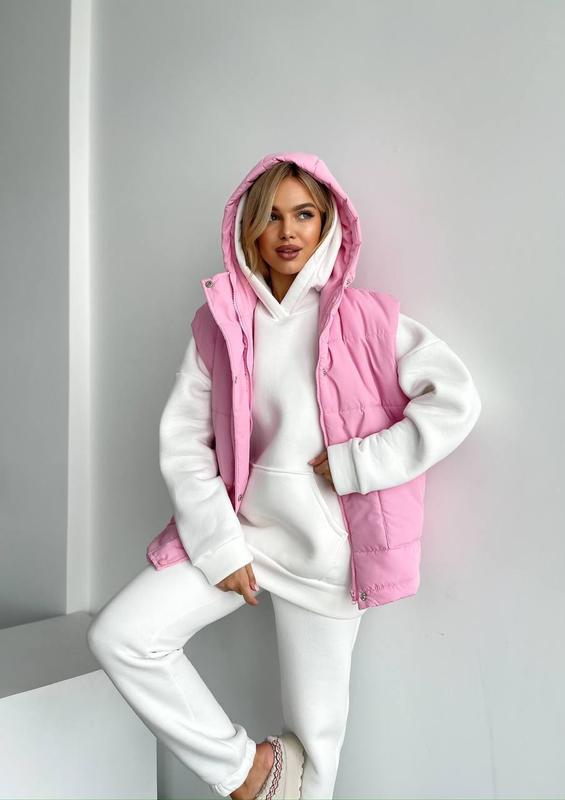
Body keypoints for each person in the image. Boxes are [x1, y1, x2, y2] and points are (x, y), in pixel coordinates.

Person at [86, 151, 482, 800]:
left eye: (304, 214)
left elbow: (455, 400)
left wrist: (360, 462)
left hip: (328, 554)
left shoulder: (368, 320)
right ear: (248, 228)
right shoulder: (220, 323)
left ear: (328, 224)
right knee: (123, 637)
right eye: (271, 215)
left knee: (316, 751)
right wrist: (218, 544)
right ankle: (247, 773)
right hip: (242, 536)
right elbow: (185, 442)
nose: (288, 231)